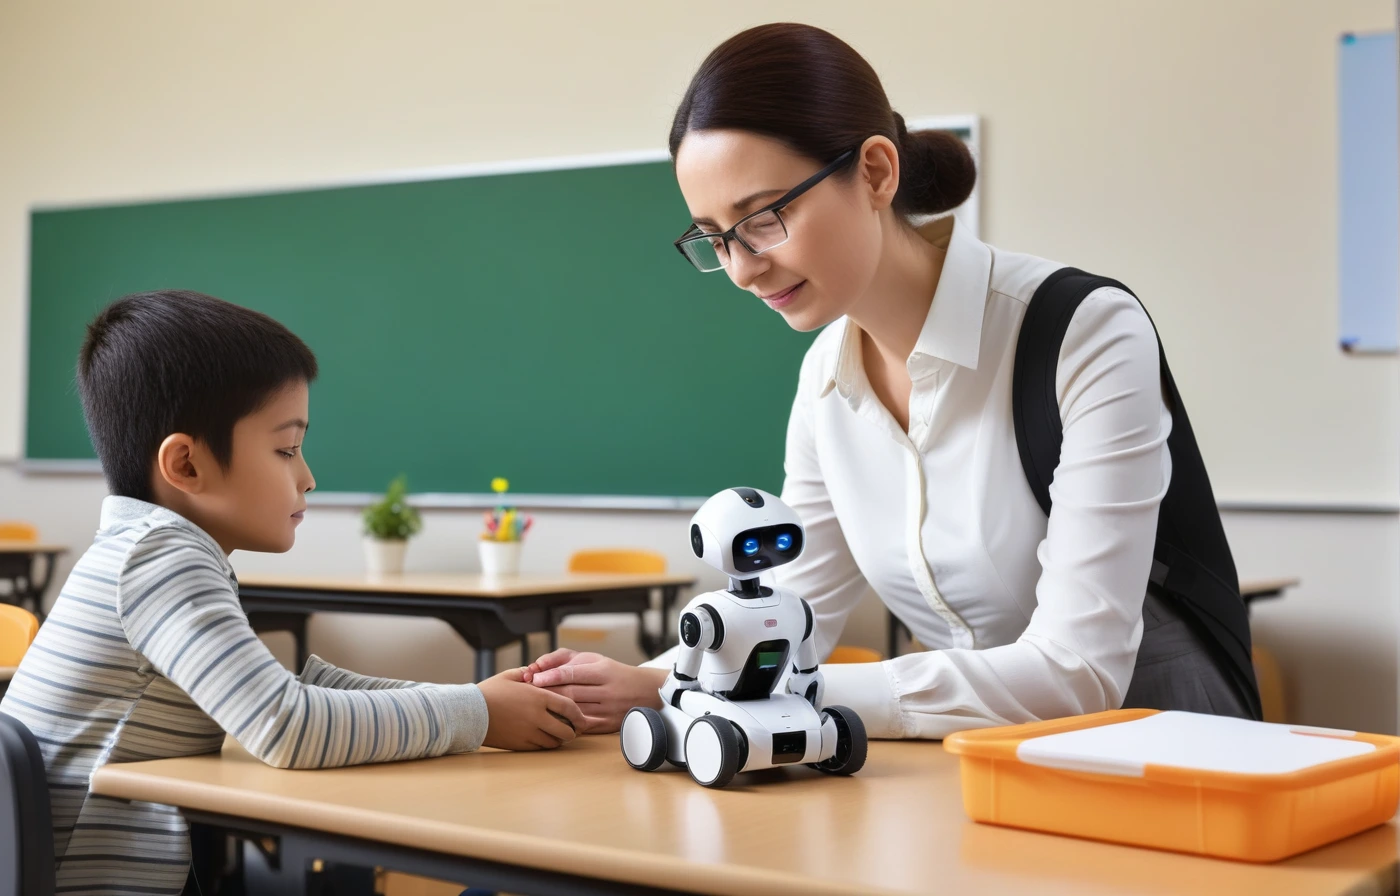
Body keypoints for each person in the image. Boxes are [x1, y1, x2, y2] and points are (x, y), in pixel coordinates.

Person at [524, 22, 1254, 739]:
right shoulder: (826, 381)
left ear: (874, 172)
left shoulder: (1085, 331)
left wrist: (707, 690)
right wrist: (646, 683)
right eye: (716, 238)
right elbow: (789, 611)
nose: (743, 270)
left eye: (765, 217)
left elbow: (1075, 673)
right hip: (985, 766)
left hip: (1169, 753)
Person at [0, 290, 583, 895]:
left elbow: (291, 694)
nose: (308, 476)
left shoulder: (151, 551)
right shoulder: (159, 557)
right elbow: (287, 725)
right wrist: (478, 713)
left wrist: (477, 700)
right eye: (286, 449)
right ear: (186, 466)